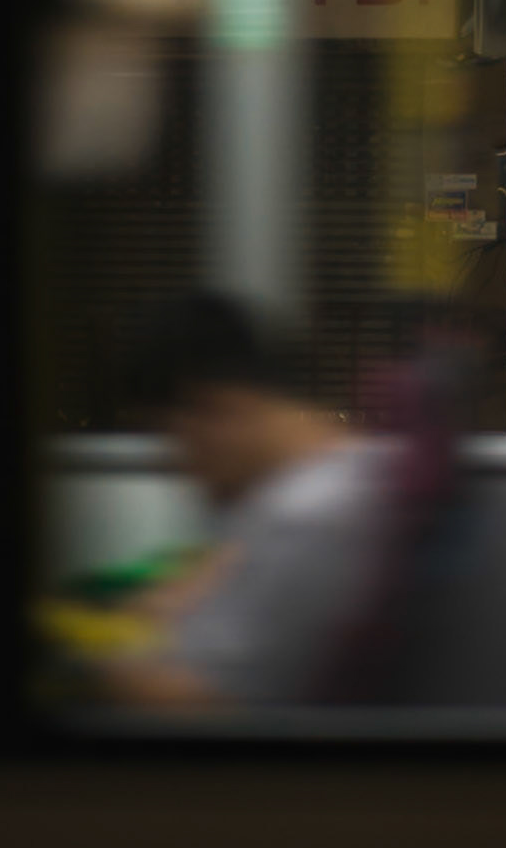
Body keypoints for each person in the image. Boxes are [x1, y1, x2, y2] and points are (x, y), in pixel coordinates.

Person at [82, 293, 392, 711]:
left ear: (215, 408)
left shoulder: (306, 519)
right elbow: (231, 567)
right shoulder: (325, 473)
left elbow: (209, 703)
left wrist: (95, 660)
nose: (184, 470)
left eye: (174, 438)